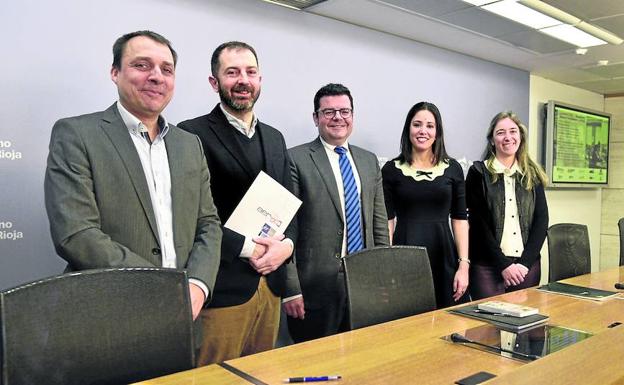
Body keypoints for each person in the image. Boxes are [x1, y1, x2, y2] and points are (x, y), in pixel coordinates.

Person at [44, 31, 222, 321]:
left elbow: (208, 224)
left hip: (185, 316)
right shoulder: (76, 135)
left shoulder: (189, 144)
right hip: (108, 316)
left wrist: (198, 286)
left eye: (166, 69)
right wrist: (162, 289)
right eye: (142, 65)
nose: (156, 76)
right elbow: (76, 233)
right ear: (115, 72)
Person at [178, 41, 295, 365]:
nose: (243, 80)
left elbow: (289, 204)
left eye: (251, 72)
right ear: (214, 82)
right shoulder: (191, 135)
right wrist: (250, 248)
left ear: (259, 80)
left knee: (261, 373)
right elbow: (192, 216)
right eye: (232, 72)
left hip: (270, 287)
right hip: (223, 289)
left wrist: (287, 247)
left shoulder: (275, 137)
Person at [283, 83, 389, 343]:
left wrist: (385, 276)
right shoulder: (295, 159)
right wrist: (291, 289)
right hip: (313, 288)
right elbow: (286, 228)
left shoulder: (368, 160)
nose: (338, 118)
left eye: (344, 111)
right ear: (316, 117)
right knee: (314, 365)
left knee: (361, 359)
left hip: (364, 285)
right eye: (329, 112)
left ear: (352, 115)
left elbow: (379, 225)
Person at [381, 102, 469, 308]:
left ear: (437, 132)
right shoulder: (391, 170)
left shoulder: (453, 168)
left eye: (430, 126)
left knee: (448, 324)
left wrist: (463, 265)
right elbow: (387, 222)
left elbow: (460, 220)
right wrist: (386, 266)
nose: (423, 131)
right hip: (404, 255)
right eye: (417, 124)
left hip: (444, 254)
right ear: (408, 129)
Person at [466, 111, 549, 299]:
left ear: (520, 137)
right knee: (486, 326)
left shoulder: (532, 174)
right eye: (501, 132)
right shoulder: (478, 172)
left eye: (513, 131)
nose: (508, 137)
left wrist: (524, 264)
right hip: (486, 266)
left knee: (525, 326)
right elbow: (479, 225)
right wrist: (503, 264)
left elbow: (541, 221)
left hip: (526, 267)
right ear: (492, 140)